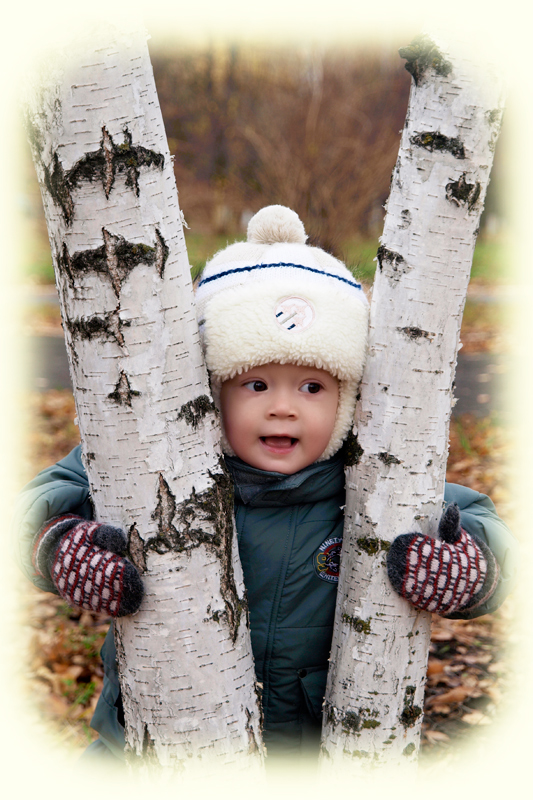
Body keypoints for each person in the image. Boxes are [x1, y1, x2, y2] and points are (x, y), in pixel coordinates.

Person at [12, 205, 518, 764]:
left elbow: (489, 532)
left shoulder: (373, 483)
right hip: (148, 744)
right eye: (255, 384)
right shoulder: (154, 462)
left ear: (349, 400)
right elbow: (36, 505)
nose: (283, 409)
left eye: (311, 387)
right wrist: (61, 547)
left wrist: (469, 568)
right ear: (209, 389)